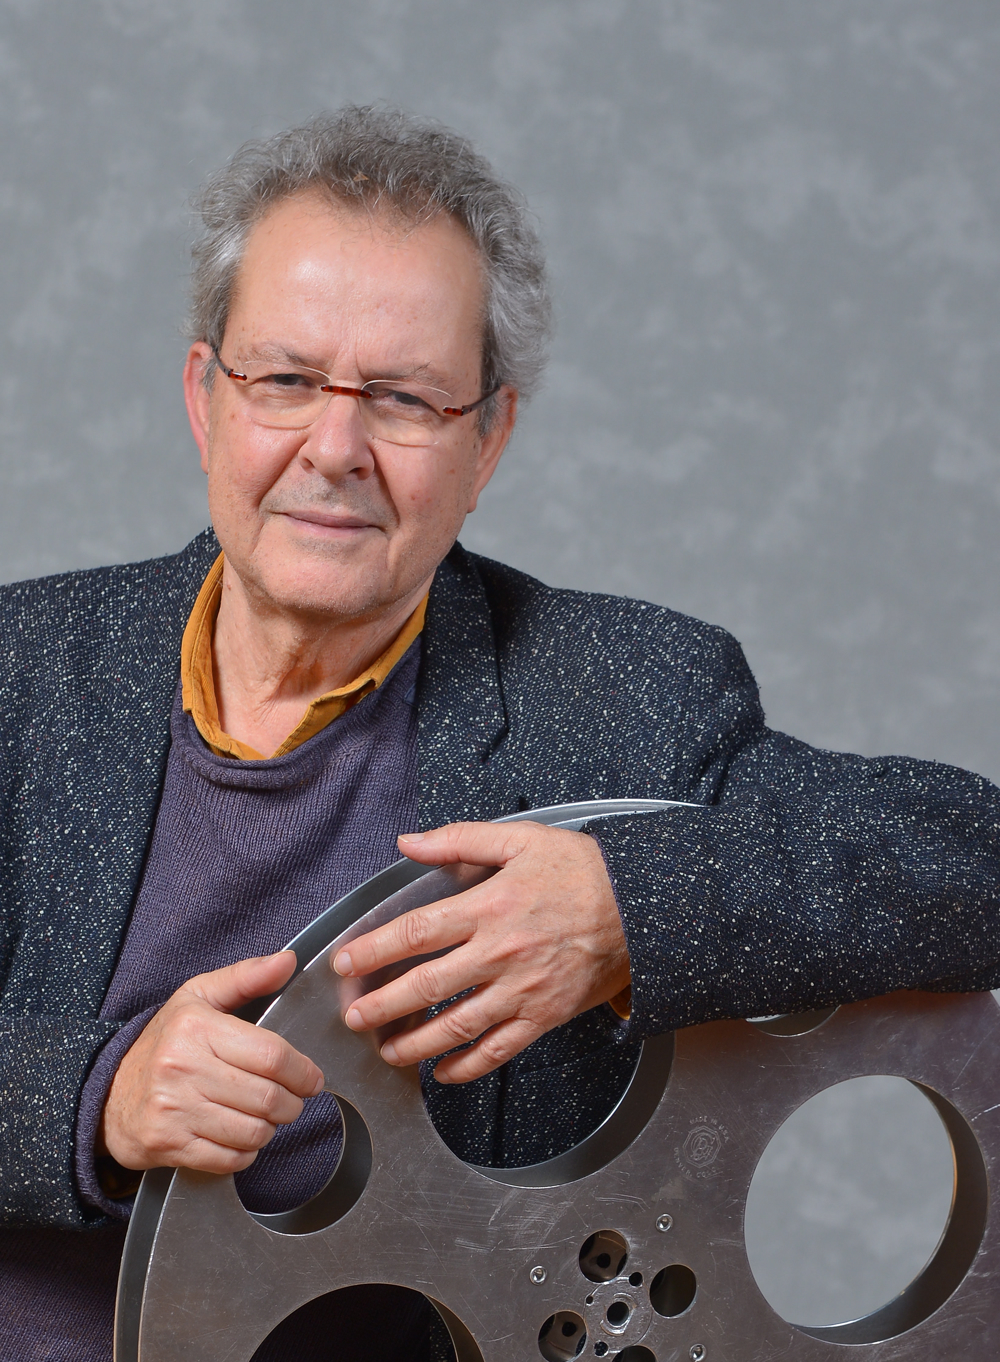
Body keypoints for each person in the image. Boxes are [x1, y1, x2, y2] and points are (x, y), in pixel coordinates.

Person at [1, 106, 998, 1361]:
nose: (335, 447)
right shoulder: (22, 669)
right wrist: (93, 1099)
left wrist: (627, 903)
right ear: (207, 399)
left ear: (487, 441)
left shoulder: (623, 694)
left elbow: (974, 861)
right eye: (287, 380)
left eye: (405, 399)